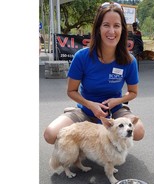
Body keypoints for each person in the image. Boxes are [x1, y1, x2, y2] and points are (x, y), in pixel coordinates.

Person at [43, 2, 145, 145]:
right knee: (50, 134)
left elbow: (133, 92)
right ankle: (79, 118)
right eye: (106, 25)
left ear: (122, 29)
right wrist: (90, 105)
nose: (111, 31)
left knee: (139, 131)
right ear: (98, 28)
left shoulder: (129, 60)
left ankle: (111, 143)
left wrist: (116, 101)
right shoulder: (82, 57)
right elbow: (71, 91)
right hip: (86, 111)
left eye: (116, 25)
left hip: (114, 113)